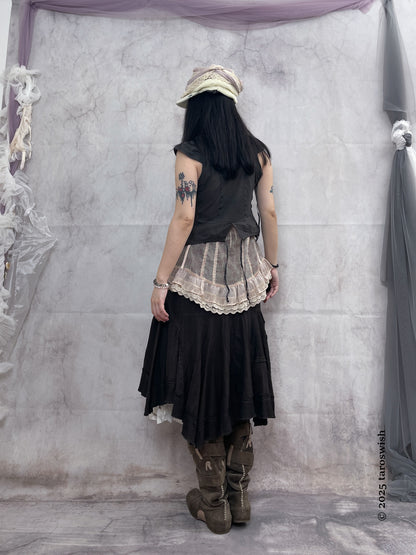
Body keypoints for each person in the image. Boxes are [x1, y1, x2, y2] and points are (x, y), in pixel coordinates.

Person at [138, 64, 279, 534]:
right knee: (239, 385)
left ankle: (214, 504)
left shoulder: (190, 152)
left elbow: (185, 219)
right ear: (231, 105)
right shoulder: (258, 152)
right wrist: (273, 266)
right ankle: (238, 500)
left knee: (202, 387)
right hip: (246, 286)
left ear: (197, 107)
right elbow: (269, 211)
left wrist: (161, 281)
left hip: (195, 290)